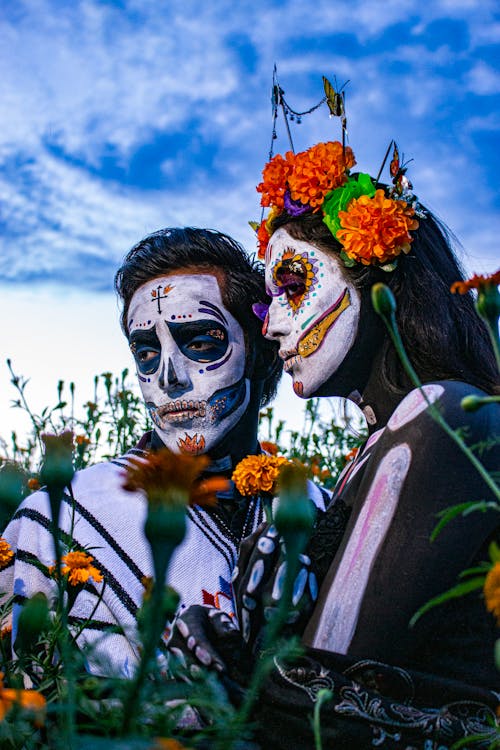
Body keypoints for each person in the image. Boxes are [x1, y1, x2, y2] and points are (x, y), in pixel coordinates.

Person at [168, 141, 500, 747]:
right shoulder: (380, 444)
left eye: (294, 284)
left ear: (377, 272)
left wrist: (235, 671)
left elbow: (325, 687)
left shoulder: (443, 417)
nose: (270, 325)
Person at [0, 227, 329, 678]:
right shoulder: (57, 520)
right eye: (146, 353)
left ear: (260, 350)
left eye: (198, 342)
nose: (169, 376)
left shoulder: (318, 508)